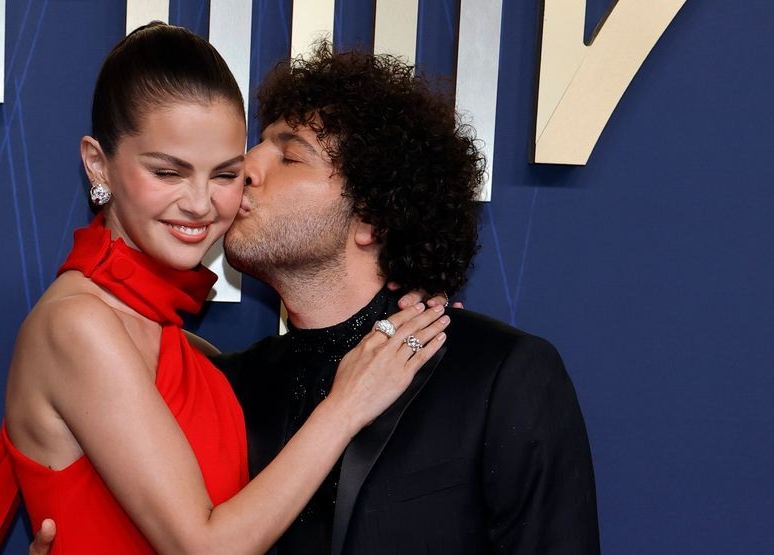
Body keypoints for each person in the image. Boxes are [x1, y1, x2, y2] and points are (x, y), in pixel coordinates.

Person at [31, 42, 601, 554]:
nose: (245, 169)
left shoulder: (498, 377)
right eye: (254, 148)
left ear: (373, 216)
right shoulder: (226, 386)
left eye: (289, 154)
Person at [0, 24, 450, 554]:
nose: (201, 204)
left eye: (225, 175)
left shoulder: (186, 350)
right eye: (168, 172)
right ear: (98, 163)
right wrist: (346, 406)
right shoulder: (79, 325)